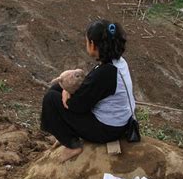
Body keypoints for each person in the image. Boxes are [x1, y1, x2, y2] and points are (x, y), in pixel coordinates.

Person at [41, 19, 136, 162]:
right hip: (120, 121)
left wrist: (68, 93)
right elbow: (90, 89)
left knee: (50, 99)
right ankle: (65, 135)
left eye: (87, 41)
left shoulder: (105, 73)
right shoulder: (117, 63)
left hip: (108, 130)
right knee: (57, 88)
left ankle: (72, 145)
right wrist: (66, 90)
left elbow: (78, 105)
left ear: (92, 44)